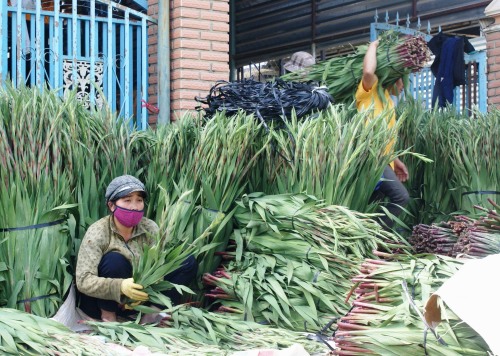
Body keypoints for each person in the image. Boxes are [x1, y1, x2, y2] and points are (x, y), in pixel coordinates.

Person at [75, 175, 198, 322]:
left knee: (186, 261)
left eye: (139, 200)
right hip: (102, 302)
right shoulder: (98, 232)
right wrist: (119, 287)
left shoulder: (149, 228)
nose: (134, 206)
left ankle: (151, 315)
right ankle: (108, 318)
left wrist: (145, 291)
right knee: (114, 260)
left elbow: (159, 267)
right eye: (127, 200)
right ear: (111, 205)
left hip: (138, 302)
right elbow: (83, 281)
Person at [355, 39, 410, 230]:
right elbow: (369, 72)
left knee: (373, 204)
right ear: (390, 76)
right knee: (400, 196)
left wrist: (395, 161)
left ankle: (366, 237)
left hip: (383, 160)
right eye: (401, 79)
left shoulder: (387, 101)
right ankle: (376, 238)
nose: (403, 85)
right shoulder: (369, 93)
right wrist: (373, 46)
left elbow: (386, 139)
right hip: (371, 158)